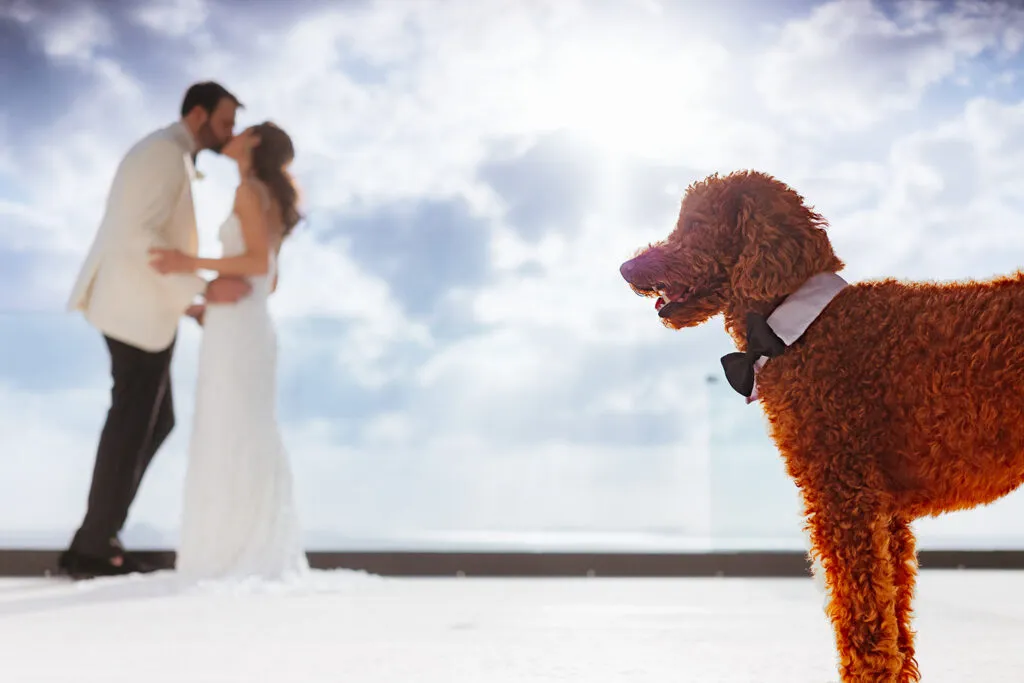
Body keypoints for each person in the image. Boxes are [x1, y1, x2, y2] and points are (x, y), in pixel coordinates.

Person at [61, 82, 252, 579]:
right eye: (225, 121)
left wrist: (187, 303)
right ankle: (92, 547)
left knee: (152, 421)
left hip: (144, 308)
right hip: (133, 311)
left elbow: (150, 240)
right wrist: (200, 290)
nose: (229, 132)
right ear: (198, 114)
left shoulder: (170, 153)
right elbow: (136, 237)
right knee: (132, 424)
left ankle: (98, 536)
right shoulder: (162, 155)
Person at [148, 121, 308, 581]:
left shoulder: (249, 191)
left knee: (229, 425)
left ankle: (224, 551)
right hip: (246, 320)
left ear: (254, 143)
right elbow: (268, 278)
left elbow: (257, 263)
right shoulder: (268, 196)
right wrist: (214, 290)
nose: (233, 135)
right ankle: (237, 545)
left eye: (244, 130)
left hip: (239, 327)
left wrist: (187, 264)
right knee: (242, 425)